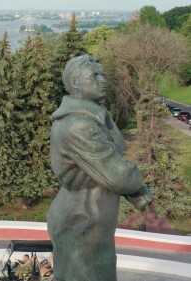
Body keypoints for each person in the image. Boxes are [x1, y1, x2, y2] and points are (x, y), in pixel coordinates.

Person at [47, 55, 152, 281]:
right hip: (82, 222)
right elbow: (118, 175)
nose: (103, 79)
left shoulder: (95, 113)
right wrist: (136, 188)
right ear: (75, 83)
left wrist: (130, 189)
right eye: (94, 75)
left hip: (90, 219)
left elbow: (107, 164)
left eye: (102, 74)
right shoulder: (79, 125)